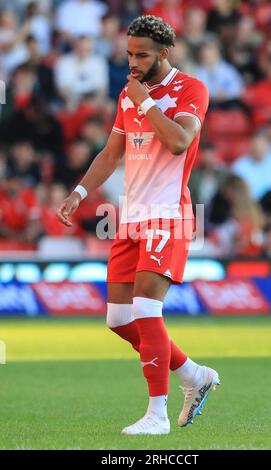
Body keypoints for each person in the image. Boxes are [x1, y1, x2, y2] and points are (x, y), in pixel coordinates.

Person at [56, 15, 220, 435]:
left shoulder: (191, 90)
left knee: (147, 309)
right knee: (118, 319)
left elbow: (180, 141)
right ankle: (194, 375)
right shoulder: (128, 95)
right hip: (131, 216)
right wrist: (78, 193)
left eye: (142, 55)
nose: (133, 61)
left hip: (168, 213)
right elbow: (111, 154)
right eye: (129, 53)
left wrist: (144, 101)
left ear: (164, 53)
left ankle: (156, 415)